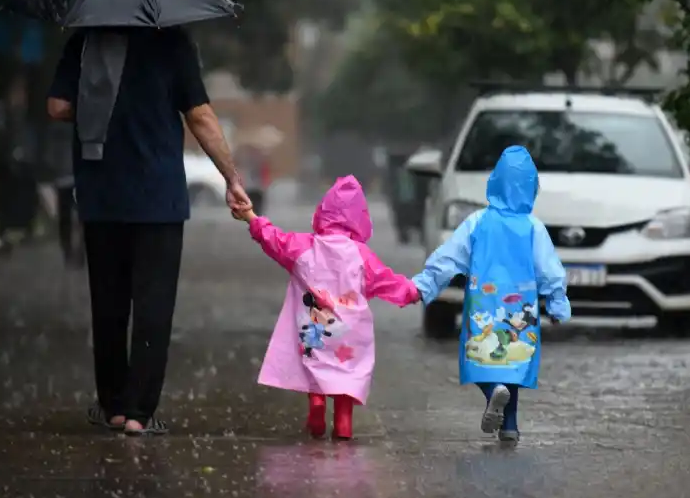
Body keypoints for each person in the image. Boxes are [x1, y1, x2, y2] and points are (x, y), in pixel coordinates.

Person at [46, 26, 251, 436]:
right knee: (153, 307)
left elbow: (56, 107)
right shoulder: (172, 42)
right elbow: (200, 115)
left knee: (108, 305)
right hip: (157, 197)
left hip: (101, 193)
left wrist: (102, 105)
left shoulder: (85, 41)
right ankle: (139, 413)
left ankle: (114, 407)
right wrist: (231, 177)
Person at [232, 175, 419, 440]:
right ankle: (343, 422)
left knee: (314, 359)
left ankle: (316, 403)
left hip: (315, 325)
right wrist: (412, 292)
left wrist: (251, 216)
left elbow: (273, 238)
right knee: (347, 373)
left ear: (323, 212)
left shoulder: (304, 247)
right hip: (350, 333)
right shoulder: (361, 255)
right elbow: (386, 280)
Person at [411, 146, 570, 443]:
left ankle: (490, 394)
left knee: (479, 356)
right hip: (521, 308)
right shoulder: (533, 227)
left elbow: (449, 257)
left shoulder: (478, 222)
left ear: (495, 181)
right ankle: (510, 427)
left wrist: (425, 285)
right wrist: (558, 303)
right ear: (532, 187)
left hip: (483, 304)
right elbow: (550, 269)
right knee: (514, 362)